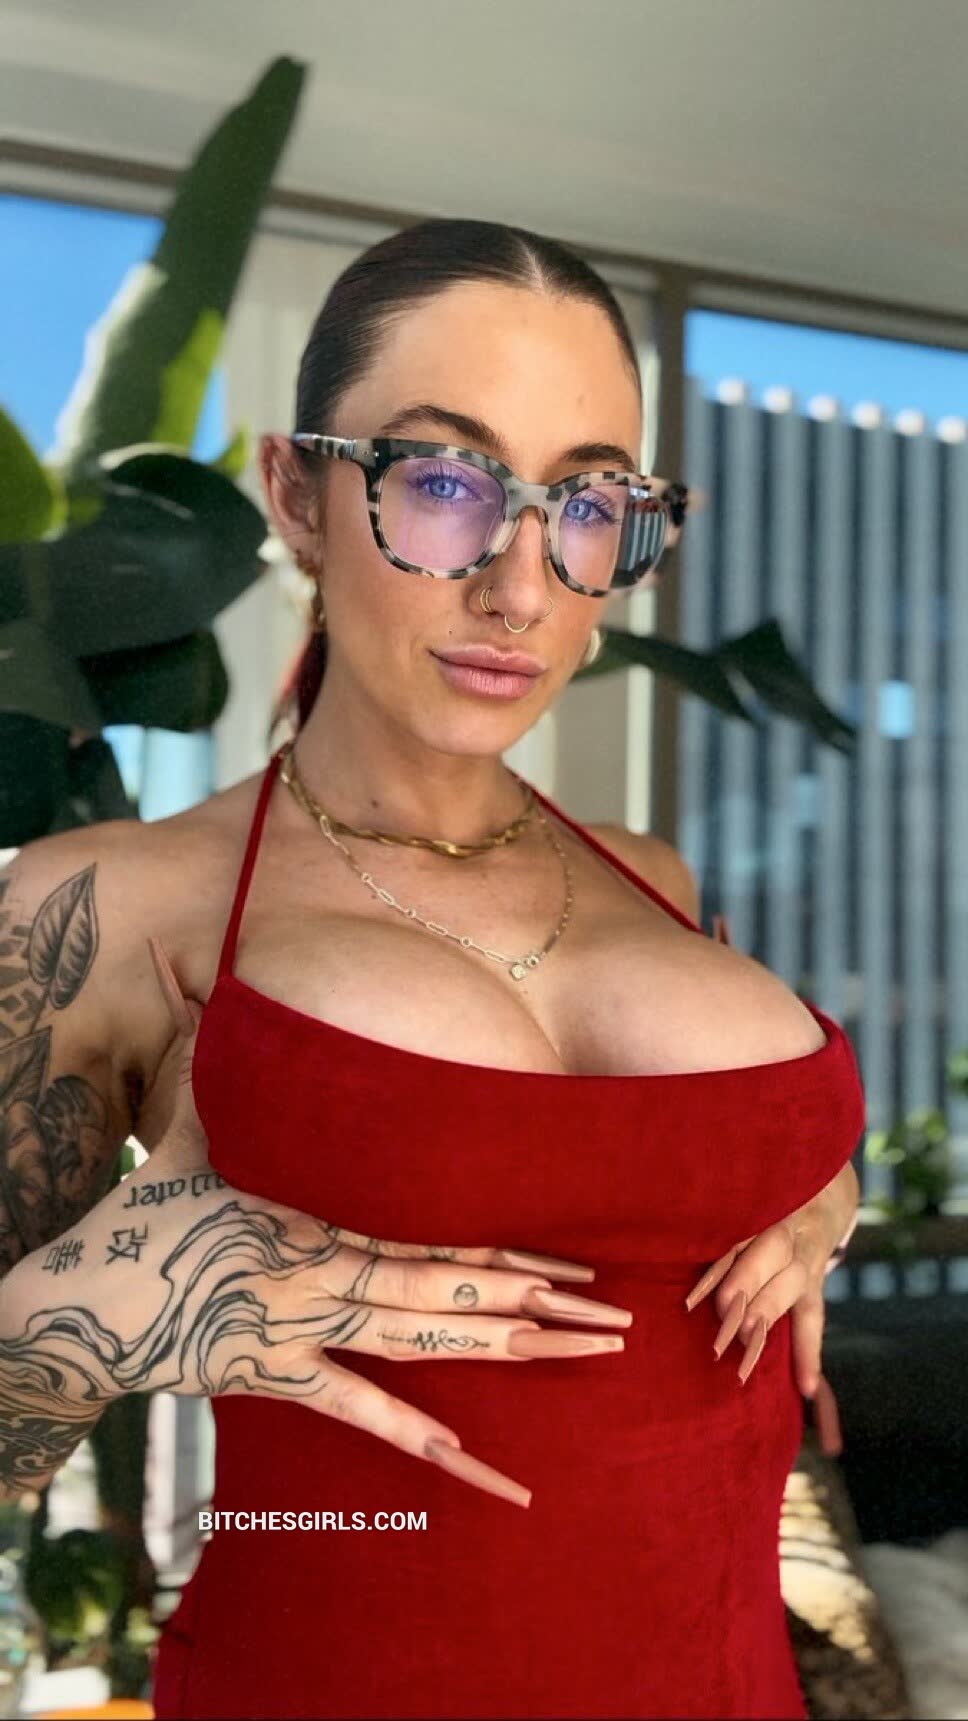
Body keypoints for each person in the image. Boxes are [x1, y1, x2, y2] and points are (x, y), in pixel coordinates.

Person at [0, 218, 864, 1720]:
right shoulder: (106, 903)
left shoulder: (651, 878)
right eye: (447, 483)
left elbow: (670, 1178)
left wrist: (818, 1183)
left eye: (588, 501)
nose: (522, 588)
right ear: (297, 494)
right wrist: (65, 1324)